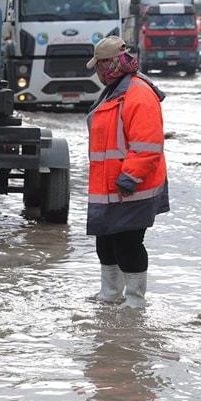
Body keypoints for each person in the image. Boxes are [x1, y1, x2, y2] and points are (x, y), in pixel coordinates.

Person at [86, 36, 169, 308]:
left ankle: (135, 303)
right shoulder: (114, 90)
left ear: (111, 65)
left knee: (127, 245)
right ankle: (109, 296)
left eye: (99, 66)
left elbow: (148, 145)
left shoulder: (138, 94)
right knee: (106, 245)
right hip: (109, 188)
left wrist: (129, 178)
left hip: (131, 187)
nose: (97, 73)